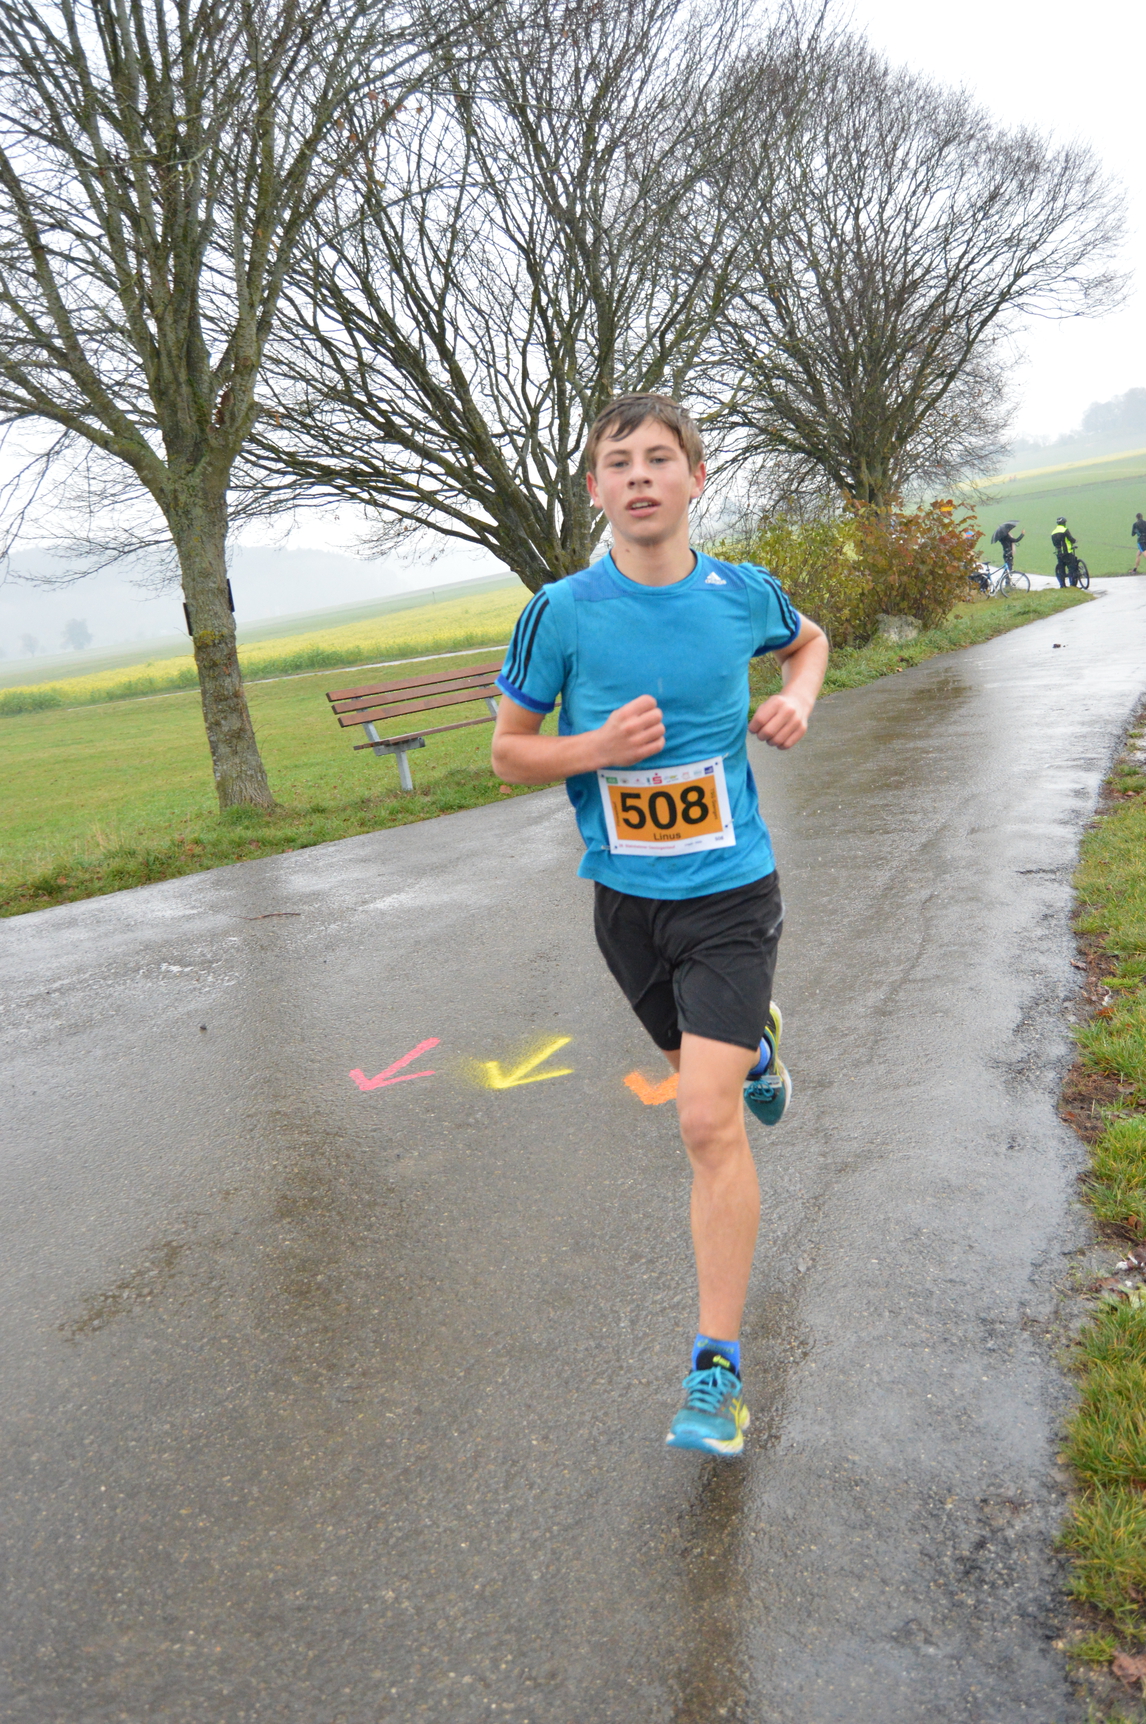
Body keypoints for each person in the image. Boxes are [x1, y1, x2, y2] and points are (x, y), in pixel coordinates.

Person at [491, 394, 828, 1457]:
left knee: (704, 1121)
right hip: (628, 907)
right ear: (596, 489)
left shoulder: (742, 594)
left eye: (658, 458)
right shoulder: (561, 613)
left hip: (732, 894)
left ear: (695, 477)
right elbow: (508, 751)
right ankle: (758, 1046)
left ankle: (715, 1370)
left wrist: (800, 697)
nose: (638, 475)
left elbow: (809, 641)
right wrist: (595, 748)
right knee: (707, 1079)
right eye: (617, 461)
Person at [1051, 517, 1081, 586]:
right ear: (1064, 523)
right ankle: (1072, 584)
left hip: (1059, 553)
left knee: (1061, 569)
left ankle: (1062, 585)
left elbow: (1054, 543)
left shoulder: (1053, 532)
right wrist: (1075, 541)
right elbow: (1070, 539)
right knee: (1071, 567)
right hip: (1067, 552)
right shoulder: (1064, 530)